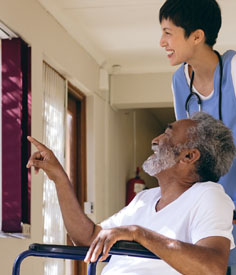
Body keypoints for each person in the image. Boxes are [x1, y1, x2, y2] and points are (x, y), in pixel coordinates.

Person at [27, 112, 235, 275]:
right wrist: (58, 177)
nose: (156, 139)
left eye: (168, 134)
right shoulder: (146, 199)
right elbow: (89, 238)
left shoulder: (209, 196)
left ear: (189, 156)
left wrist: (139, 233)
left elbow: (212, 269)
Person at [159, 0, 236, 264]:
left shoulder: (234, 70)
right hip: (209, 213)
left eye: (168, 33)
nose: (161, 41)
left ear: (197, 36)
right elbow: (186, 151)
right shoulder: (180, 81)